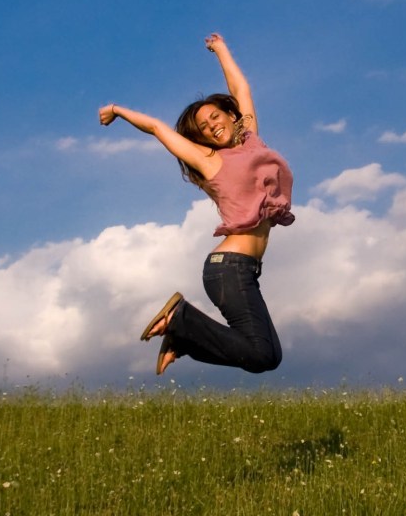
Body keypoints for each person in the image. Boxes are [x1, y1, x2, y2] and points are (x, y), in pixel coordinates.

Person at [98, 33, 294, 376]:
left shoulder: (252, 139)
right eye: (203, 127)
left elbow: (241, 89)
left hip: (244, 270)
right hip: (228, 267)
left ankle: (184, 336)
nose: (211, 126)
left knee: (270, 356)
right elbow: (158, 128)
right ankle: (181, 321)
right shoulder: (209, 160)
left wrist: (221, 50)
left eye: (215, 117)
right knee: (261, 356)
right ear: (200, 138)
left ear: (231, 116)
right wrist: (117, 110)